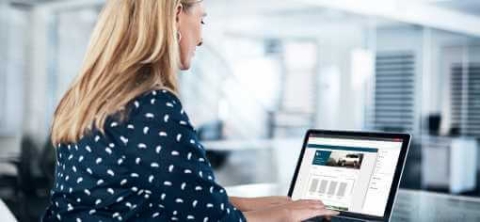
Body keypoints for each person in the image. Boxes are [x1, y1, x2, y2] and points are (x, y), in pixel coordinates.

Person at [41, 0, 339, 221]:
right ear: (175, 15)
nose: (201, 38)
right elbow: (216, 220)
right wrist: (289, 214)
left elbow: (184, 200)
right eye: (202, 20)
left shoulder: (84, 100)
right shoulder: (150, 106)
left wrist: (268, 204)